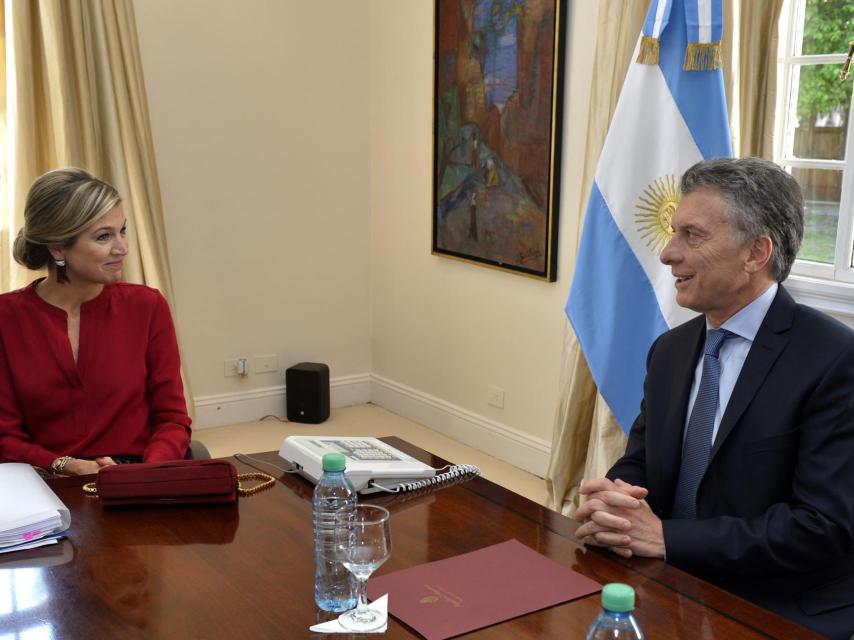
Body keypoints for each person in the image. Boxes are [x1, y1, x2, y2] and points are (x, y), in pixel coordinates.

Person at [574, 157, 854, 640]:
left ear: (756, 252)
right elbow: (642, 462)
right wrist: (616, 500)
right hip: (666, 577)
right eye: (672, 232)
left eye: (691, 234)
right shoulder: (670, 350)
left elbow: (820, 527)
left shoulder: (834, 360)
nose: (666, 254)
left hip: (776, 600)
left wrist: (666, 537)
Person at [0, 168, 191, 476]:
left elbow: (172, 419)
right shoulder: (6, 318)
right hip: (47, 479)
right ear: (58, 247)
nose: (122, 248)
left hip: (139, 474)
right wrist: (66, 465)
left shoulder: (147, 306)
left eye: (123, 231)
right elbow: (5, 437)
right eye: (104, 237)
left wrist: (143, 475)